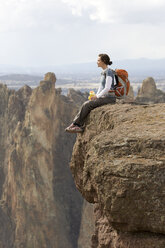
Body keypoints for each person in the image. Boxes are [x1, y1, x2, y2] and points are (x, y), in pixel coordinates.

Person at [65, 53, 116, 133]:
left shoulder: (109, 72)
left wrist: (97, 96)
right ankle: (76, 124)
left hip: (109, 98)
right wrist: (96, 95)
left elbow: (107, 88)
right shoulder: (104, 72)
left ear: (104, 61)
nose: (97, 62)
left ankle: (76, 125)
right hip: (104, 97)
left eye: (98, 60)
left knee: (87, 104)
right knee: (87, 103)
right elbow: (101, 87)